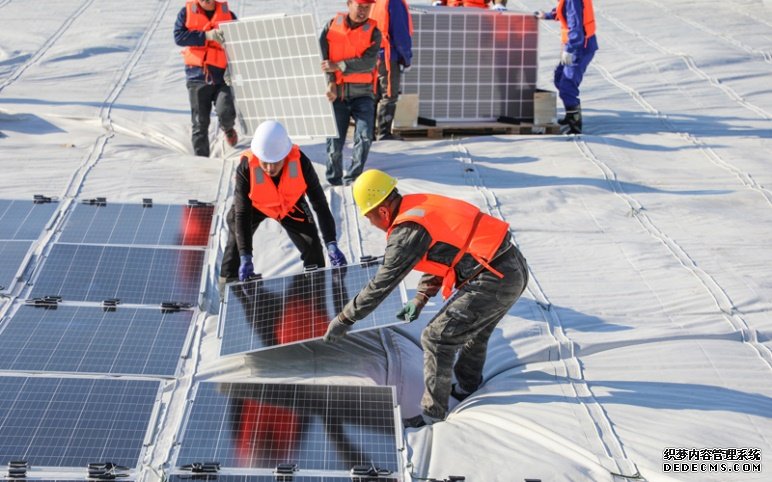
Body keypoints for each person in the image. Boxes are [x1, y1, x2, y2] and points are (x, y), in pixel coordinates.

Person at [323, 169, 529, 428]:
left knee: (436, 337)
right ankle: (467, 386)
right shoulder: (419, 206)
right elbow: (447, 252)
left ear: (383, 212)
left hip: (494, 277)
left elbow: (381, 284)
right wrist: (420, 298)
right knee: (475, 332)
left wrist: (344, 318)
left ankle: (433, 415)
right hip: (510, 267)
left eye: (370, 218)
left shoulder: (406, 231)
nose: (372, 224)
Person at [219, 120, 347, 285]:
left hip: (289, 205)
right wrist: (246, 255)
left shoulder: (301, 162)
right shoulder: (246, 167)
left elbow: (319, 203)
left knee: (313, 247)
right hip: (255, 206)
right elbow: (242, 213)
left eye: (276, 162)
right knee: (235, 246)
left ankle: (314, 293)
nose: (270, 168)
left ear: (285, 155)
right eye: (265, 162)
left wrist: (331, 242)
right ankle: (227, 291)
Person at [320, 0, 382, 186]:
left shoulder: (374, 32)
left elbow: (369, 63)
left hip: (363, 95)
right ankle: (334, 180)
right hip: (338, 94)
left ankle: (353, 179)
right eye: (359, 6)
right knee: (334, 142)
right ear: (349, 4)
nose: (363, 11)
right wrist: (330, 82)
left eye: (367, 8)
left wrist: (340, 65)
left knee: (364, 138)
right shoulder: (331, 26)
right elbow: (322, 58)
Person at [174, 0, 238, 157]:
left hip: (223, 77)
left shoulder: (228, 15)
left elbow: (240, 39)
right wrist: (206, 36)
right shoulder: (186, 13)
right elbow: (179, 37)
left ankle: (228, 129)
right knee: (200, 123)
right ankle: (200, 163)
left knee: (226, 112)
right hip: (197, 76)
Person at [536, 0, 597, 134]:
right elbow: (563, 11)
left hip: (579, 47)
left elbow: (576, 25)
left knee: (567, 84)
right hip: (577, 46)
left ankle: (574, 122)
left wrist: (570, 49)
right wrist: (546, 15)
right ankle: (571, 113)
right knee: (559, 77)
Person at [369, 0, 413, 141]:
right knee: (389, 94)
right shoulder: (394, 3)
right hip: (388, 55)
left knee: (374, 95)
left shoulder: (377, 2)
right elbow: (400, 33)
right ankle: (384, 133)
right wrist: (406, 57)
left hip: (372, 54)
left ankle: (369, 134)